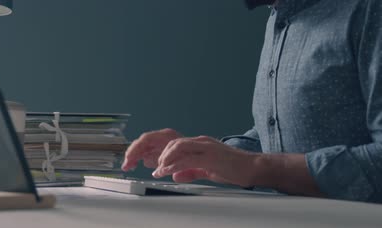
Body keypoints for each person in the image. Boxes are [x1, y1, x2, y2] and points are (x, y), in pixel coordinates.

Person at [122, 0, 382, 203]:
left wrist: (257, 167)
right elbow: (276, 137)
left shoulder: (370, 10)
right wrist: (200, 155)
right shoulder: (279, 19)